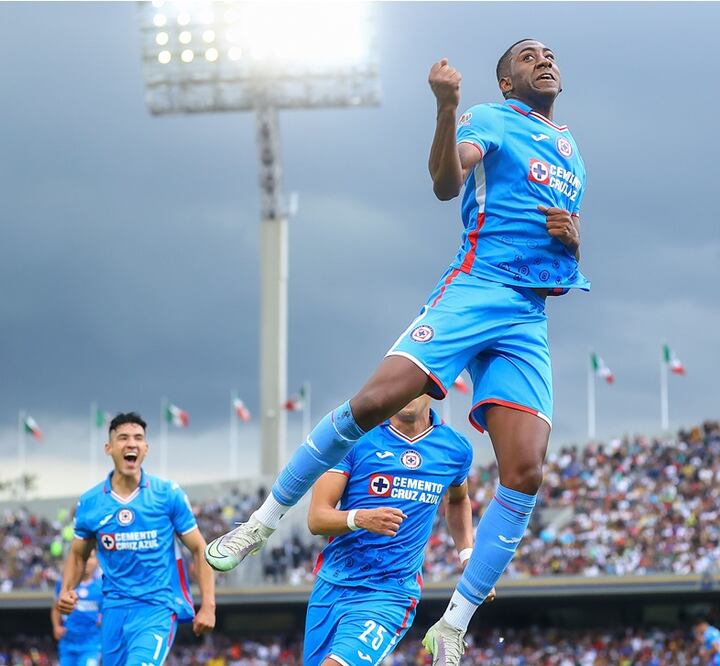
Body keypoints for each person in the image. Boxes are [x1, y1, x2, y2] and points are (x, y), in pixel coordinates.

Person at [205, 37, 586, 666]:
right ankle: (264, 520)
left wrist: (576, 241)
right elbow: (445, 184)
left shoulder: (572, 150)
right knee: (373, 402)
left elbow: (562, 250)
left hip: (528, 316)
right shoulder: (491, 119)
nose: (543, 58)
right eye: (526, 56)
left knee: (525, 472)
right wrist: (446, 108)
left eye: (549, 52)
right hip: (476, 290)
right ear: (508, 83)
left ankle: (454, 623)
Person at [302, 395, 489, 665]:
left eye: (417, 386)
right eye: (402, 385)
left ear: (436, 390)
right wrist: (360, 519)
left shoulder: (455, 448)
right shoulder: (355, 439)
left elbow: (458, 499)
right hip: (332, 585)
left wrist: (467, 554)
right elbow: (317, 519)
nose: (407, 393)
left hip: (390, 593)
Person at [59, 412, 216, 665]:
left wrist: (208, 605)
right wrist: (67, 590)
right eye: (123, 438)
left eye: (138, 438)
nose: (131, 443)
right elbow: (78, 554)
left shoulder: (167, 494)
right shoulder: (91, 503)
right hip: (113, 610)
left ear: (145, 448)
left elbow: (200, 549)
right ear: (109, 448)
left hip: (157, 608)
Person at [51, 549, 103, 666]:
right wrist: (56, 626)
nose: (87, 561)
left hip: (91, 644)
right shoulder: (65, 583)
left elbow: (107, 611)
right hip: (68, 643)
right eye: (84, 557)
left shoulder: (102, 585)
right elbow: (56, 608)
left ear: (97, 561)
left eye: (91, 558)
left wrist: (103, 619)